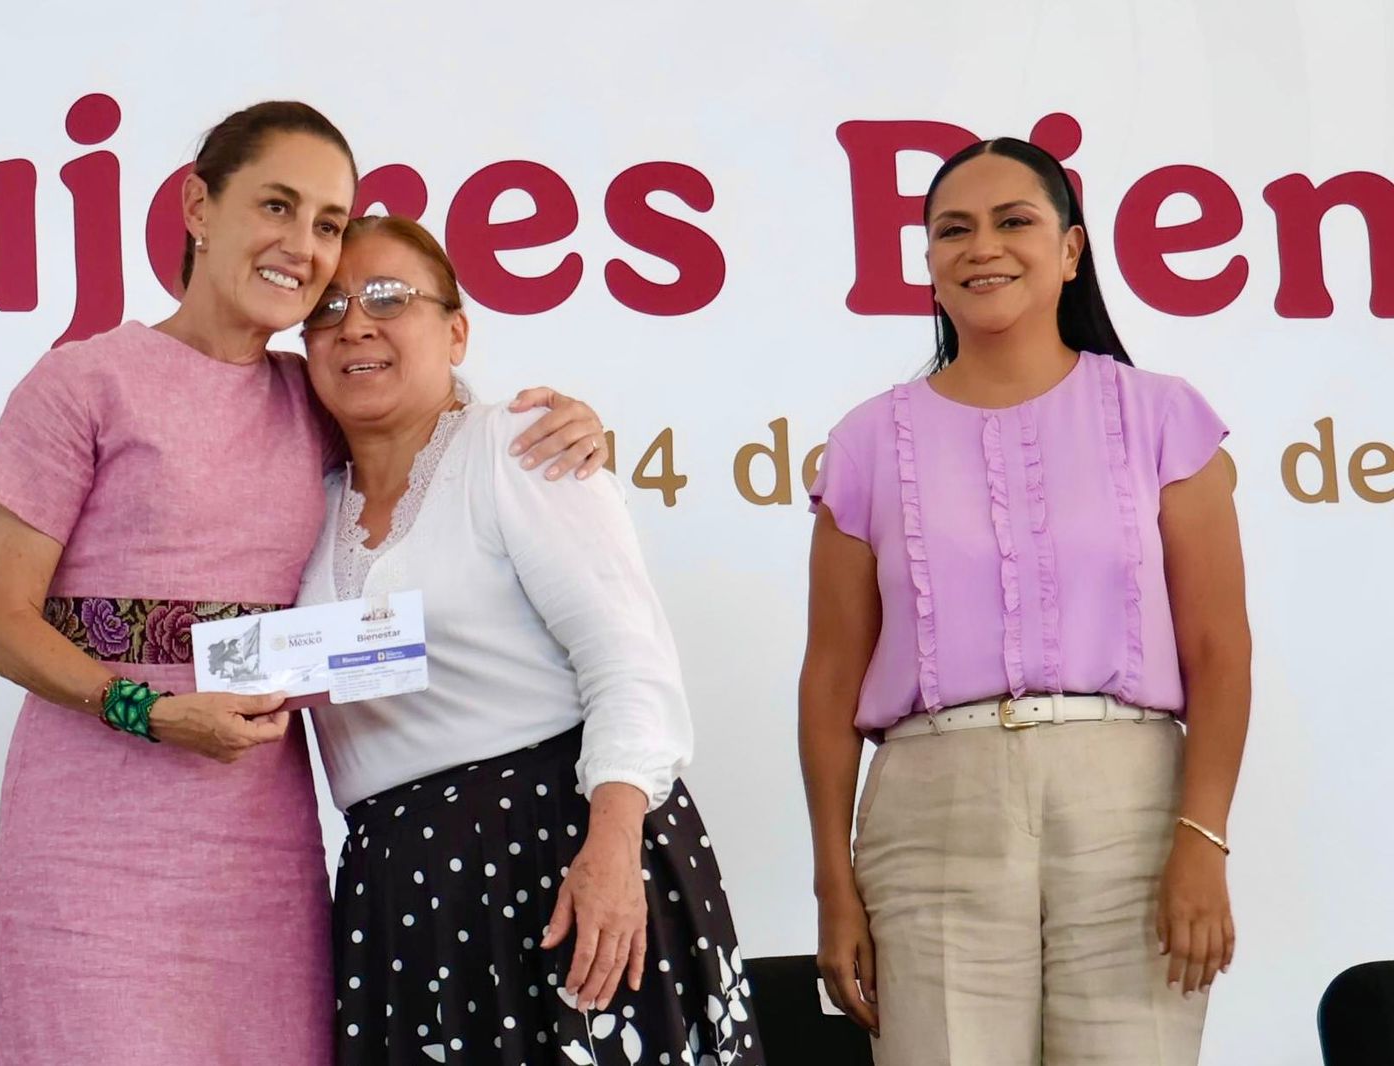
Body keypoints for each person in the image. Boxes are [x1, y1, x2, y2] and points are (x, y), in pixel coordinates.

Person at [0, 101, 609, 1065]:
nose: (303, 246)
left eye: (329, 223)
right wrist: (149, 710)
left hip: (259, 847)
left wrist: (567, 428)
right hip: (92, 846)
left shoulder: (311, 399)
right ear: (196, 205)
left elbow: (432, 417)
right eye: (276, 205)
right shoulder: (83, 381)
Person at [799, 138, 1250, 1065]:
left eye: (1015, 222)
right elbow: (829, 680)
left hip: (1129, 805)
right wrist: (832, 883)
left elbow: (1218, 651)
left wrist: (1203, 838)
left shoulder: (1161, 416)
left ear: (1072, 250)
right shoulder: (866, 441)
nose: (982, 247)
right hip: (931, 815)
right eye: (952, 230)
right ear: (926, 262)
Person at [296, 215, 763, 1065]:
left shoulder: (519, 445)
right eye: (326, 308)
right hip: (400, 895)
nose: (354, 323)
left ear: (457, 329)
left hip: (560, 853)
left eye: (388, 298)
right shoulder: (302, 503)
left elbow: (630, 663)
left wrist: (615, 846)